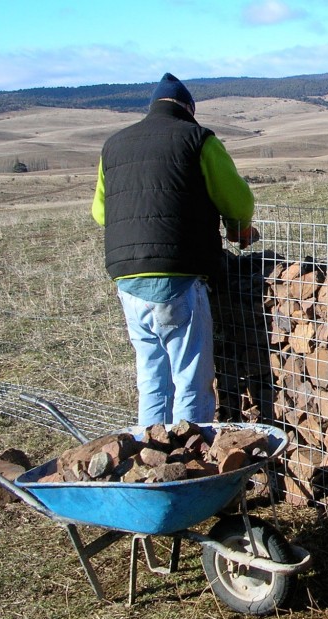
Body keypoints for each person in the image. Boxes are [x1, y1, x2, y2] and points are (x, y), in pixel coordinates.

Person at [91, 72, 256, 426]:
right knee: (192, 382)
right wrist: (237, 228)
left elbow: (101, 212)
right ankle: (192, 463)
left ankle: (152, 462)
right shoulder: (198, 140)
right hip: (177, 279)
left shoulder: (114, 144)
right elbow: (239, 201)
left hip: (128, 282)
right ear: (189, 109)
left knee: (153, 381)